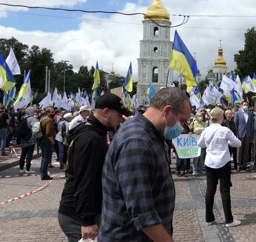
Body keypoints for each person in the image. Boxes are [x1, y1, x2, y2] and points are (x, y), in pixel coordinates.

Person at [99, 88, 191, 242]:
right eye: (182, 121)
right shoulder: (137, 141)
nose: (182, 127)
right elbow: (142, 213)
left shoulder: (150, 134)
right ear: (167, 111)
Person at [58, 94, 130, 242]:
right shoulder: (90, 139)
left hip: (80, 211)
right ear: (105, 112)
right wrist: (88, 220)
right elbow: (86, 180)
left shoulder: (93, 132)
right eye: (118, 114)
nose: (121, 118)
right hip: (77, 215)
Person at [198, 107, 242, 227]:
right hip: (223, 162)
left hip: (210, 163)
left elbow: (200, 144)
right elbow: (238, 143)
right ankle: (229, 219)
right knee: (225, 191)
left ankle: (209, 218)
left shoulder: (206, 130)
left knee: (210, 190)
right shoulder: (225, 130)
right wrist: (227, 142)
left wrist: (209, 144)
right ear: (221, 117)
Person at [234, 100, 256, 171]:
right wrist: (236, 134)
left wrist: (252, 135)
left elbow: (252, 126)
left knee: (246, 150)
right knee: (239, 150)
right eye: (244, 104)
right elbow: (235, 124)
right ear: (241, 105)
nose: (245, 106)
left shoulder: (250, 114)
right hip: (240, 134)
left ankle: (245, 164)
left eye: (246, 105)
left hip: (248, 134)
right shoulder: (238, 113)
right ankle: (238, 164)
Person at [18, 107, 38, 174]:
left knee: (23, 153)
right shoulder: (32, 119)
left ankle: (21, 168)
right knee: (29, 153)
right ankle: (28, 169)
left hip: (23, 138)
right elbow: (36, 127)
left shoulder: (22, 118)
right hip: (30, 138)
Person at [40, 107, 56, 180]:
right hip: (47, 141)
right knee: (46, 158)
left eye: (53, 112)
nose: (53, 113)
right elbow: (48, 133)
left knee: (44, 158)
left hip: (43, 140)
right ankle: (44, 174)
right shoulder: (49, 121)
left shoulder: (43, 119)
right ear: (48, 113)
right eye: (52, 112)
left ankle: (43, 173)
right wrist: (52, 141)